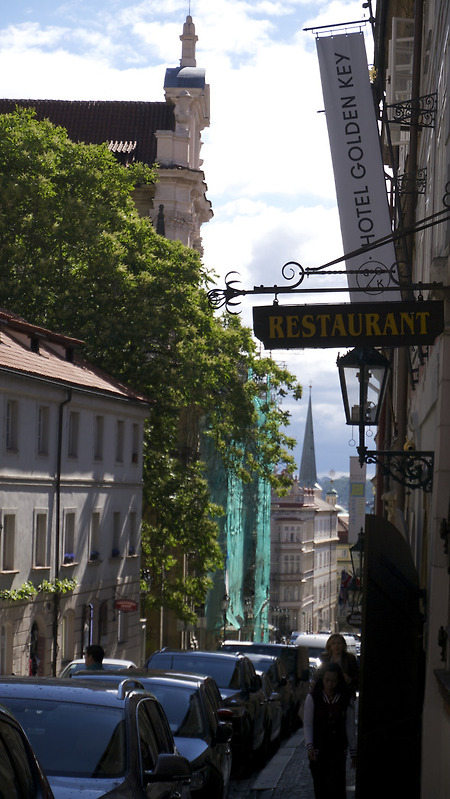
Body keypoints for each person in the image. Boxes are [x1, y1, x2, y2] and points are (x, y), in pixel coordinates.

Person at [304, 662, 357, 799]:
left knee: (338, 788)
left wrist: (353, 752)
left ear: (338, 681)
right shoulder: (313, 698)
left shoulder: (346, 699)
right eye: (327, 680)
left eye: (333, 681)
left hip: (338, 751)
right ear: (322, 680)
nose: (330, 684)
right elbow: (308, 724)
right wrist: (310, 746)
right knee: (321, 788)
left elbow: (350, 726)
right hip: (319, 750)